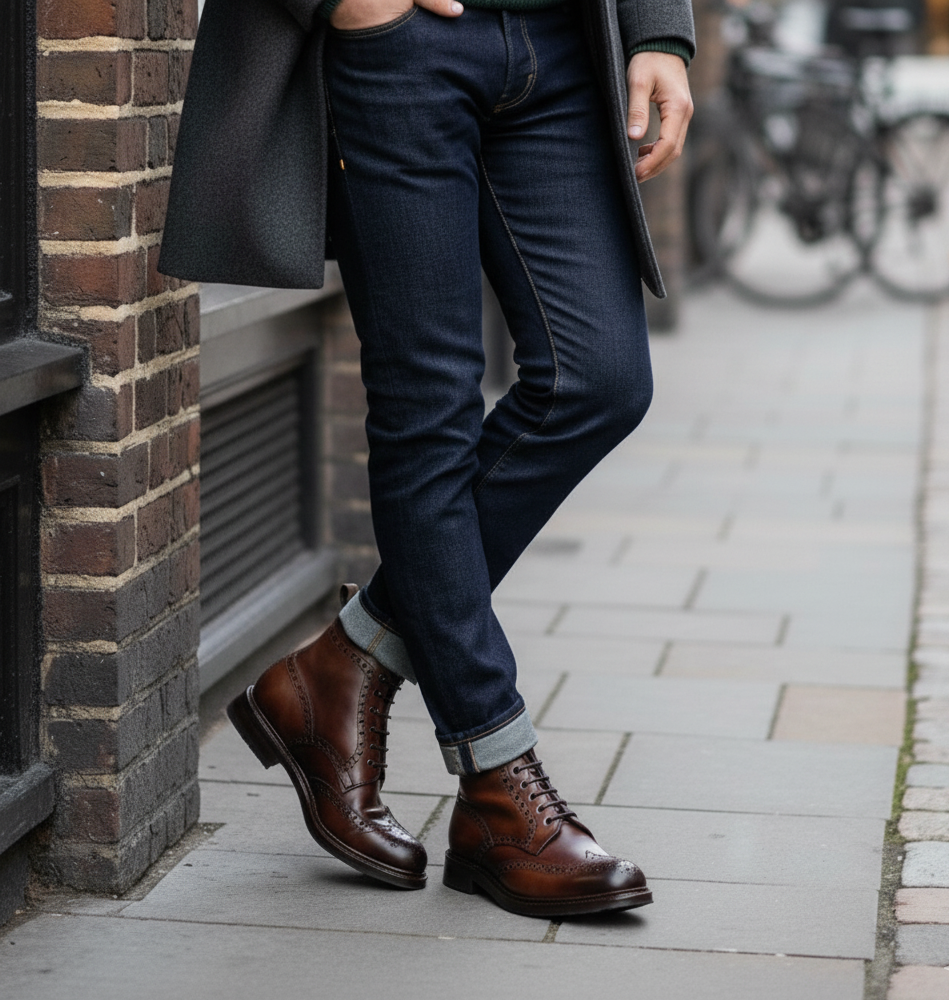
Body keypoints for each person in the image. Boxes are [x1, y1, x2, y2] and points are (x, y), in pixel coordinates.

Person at [159, 0, 694, 917]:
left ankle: (343, 662)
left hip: (564, 39)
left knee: (599, 380)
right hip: (399, 43)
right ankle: (496, 781)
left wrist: (657, 31)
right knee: (428, 408)